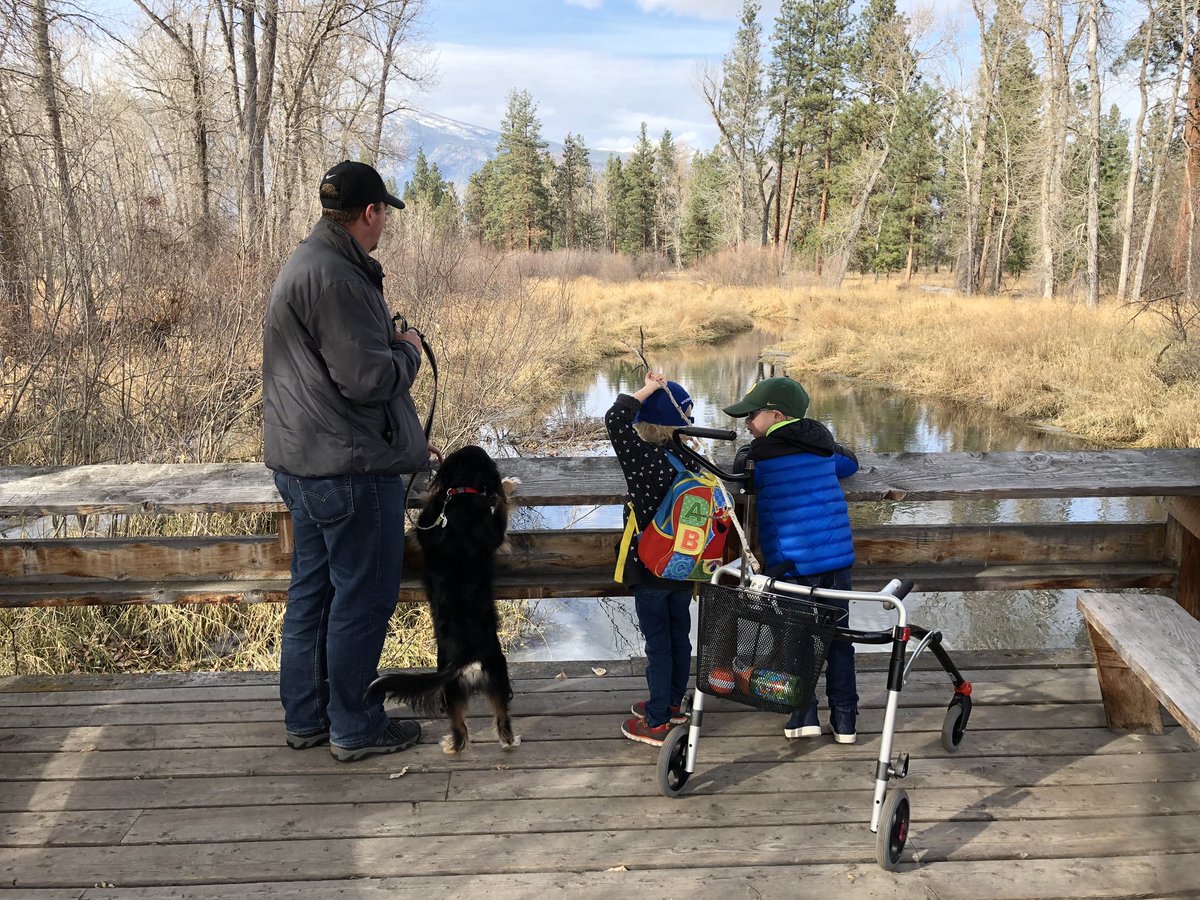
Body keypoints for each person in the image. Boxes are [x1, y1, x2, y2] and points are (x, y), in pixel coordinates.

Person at [263, 159, 437, 762]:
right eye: (383, 210)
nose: (385, 220)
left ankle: (307, 718)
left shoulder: (311, 262)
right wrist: (410, 351)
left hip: (306, 463)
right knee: (361, 599)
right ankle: (355, 726)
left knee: (313, 594)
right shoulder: (337, 278)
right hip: (348, 471)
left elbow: (333, 375)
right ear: (370, 213)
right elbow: (367, 378)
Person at [723, 376, 861, 743]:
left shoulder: (761, 459)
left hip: (794, 567)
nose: (747, 424)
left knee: (796, 639)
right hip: (836, 563)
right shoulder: (823, 449)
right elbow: (850, 465)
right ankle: (846, 719)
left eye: (752, 416)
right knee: (839, 639)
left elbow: (741, 471)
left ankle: (803, 716)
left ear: (776, 415)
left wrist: (746, 454)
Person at [606, 371, 696, 747]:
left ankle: (657, 721)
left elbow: (615, 417)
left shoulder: (643, 457)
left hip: (651, 566)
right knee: (679, 638)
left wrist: (651, 387)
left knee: (658, 645)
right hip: (686, 565)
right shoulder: (690, 459)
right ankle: (673, 703)